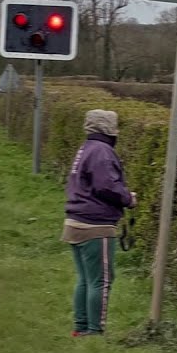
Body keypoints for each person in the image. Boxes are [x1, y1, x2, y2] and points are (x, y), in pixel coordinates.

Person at [62, 109, 136, 336]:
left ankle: (80, 327)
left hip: (74, 222)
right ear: (108, 128)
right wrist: (128, 198)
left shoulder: (86, 148)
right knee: (101, 281)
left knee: (85, 279)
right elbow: (106, 186)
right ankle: (95, 331)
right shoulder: (103, 152)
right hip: (95, 225)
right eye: (115, 125)